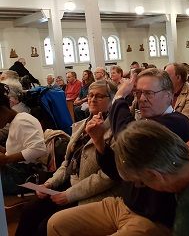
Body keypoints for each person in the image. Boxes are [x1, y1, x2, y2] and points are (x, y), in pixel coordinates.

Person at [47, 69, 189, 236]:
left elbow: (127, 135)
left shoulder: (177, 124)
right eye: (138, 93)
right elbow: (118, 172)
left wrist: (119, 97)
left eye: (149, 93)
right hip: (122, 204)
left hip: (151, 217)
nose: (142, 99)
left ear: (168, 95)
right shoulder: (143, 121)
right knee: (56, 224)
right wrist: (99, 142)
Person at [15, 80, 120, 236]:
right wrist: (51, 183)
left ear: (112, 101)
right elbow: (66, 163)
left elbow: (107, 177)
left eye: (99, 96)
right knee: (30, 210)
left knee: (45, 227)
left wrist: (70, 195)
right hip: (69, 183)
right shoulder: (81, 125)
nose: (92, 99)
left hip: (92, 193)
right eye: (90, 95)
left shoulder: (116, 130)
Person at [0, 82, 46, 195]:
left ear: (2, 110)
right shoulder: (17, 120)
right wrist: (3, 150)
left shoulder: (21, 122)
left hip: (21, 175)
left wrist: (6, 159)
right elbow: (17, 149)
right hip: (17, 170)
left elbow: (39, 149)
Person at [165, 63, 189, 132]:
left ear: (178, 78)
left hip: (181, 137)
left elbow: (183, 124)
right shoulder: (165, 94)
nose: (164, 79)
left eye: (167, 76)